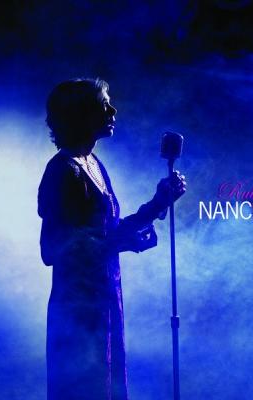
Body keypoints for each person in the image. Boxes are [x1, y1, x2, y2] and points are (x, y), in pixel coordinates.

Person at [37, 78, 186, 400]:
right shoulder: (63, 171)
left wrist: (157, 204)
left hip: (104, 302)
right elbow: (52, 249)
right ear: (81, 114)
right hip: (78, 312)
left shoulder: (93, 164)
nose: (113, 110)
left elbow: (108, 233)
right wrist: (121, 241)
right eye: (104, 104)